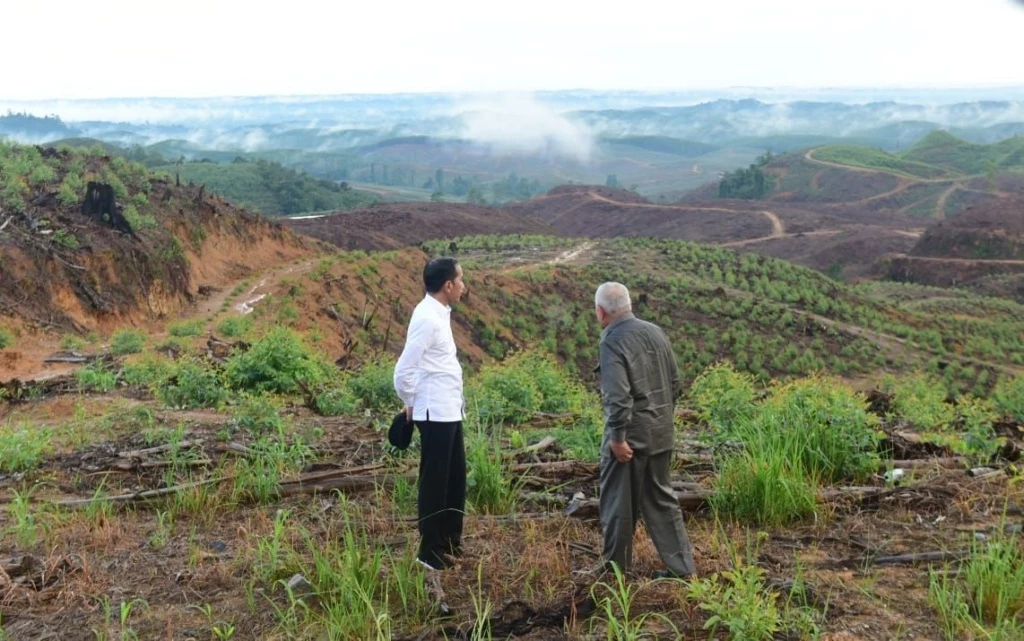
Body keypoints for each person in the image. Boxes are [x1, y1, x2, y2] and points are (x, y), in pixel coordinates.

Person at [590, 281, 696, 579]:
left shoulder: (611, 340)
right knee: (662, 499)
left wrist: (618, 437)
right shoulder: (655, 331)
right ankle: (683, 568)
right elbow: (675, 383)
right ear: (628, 305)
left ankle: (615, 571)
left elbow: (618, 397)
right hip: (661, 432)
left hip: (631, 439)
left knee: (617, 504)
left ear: (600, 312)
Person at [393, 257, 468, 571]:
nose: (464, 285)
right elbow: (403, 371)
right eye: (461, 280)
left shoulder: (439, 312)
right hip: (433, 411)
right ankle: (429, 551)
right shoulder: (427, 317)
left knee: (454, 478)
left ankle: (449, 540)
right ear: (448, 285)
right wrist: (411, 402)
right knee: (435, 480)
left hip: (448, 409)